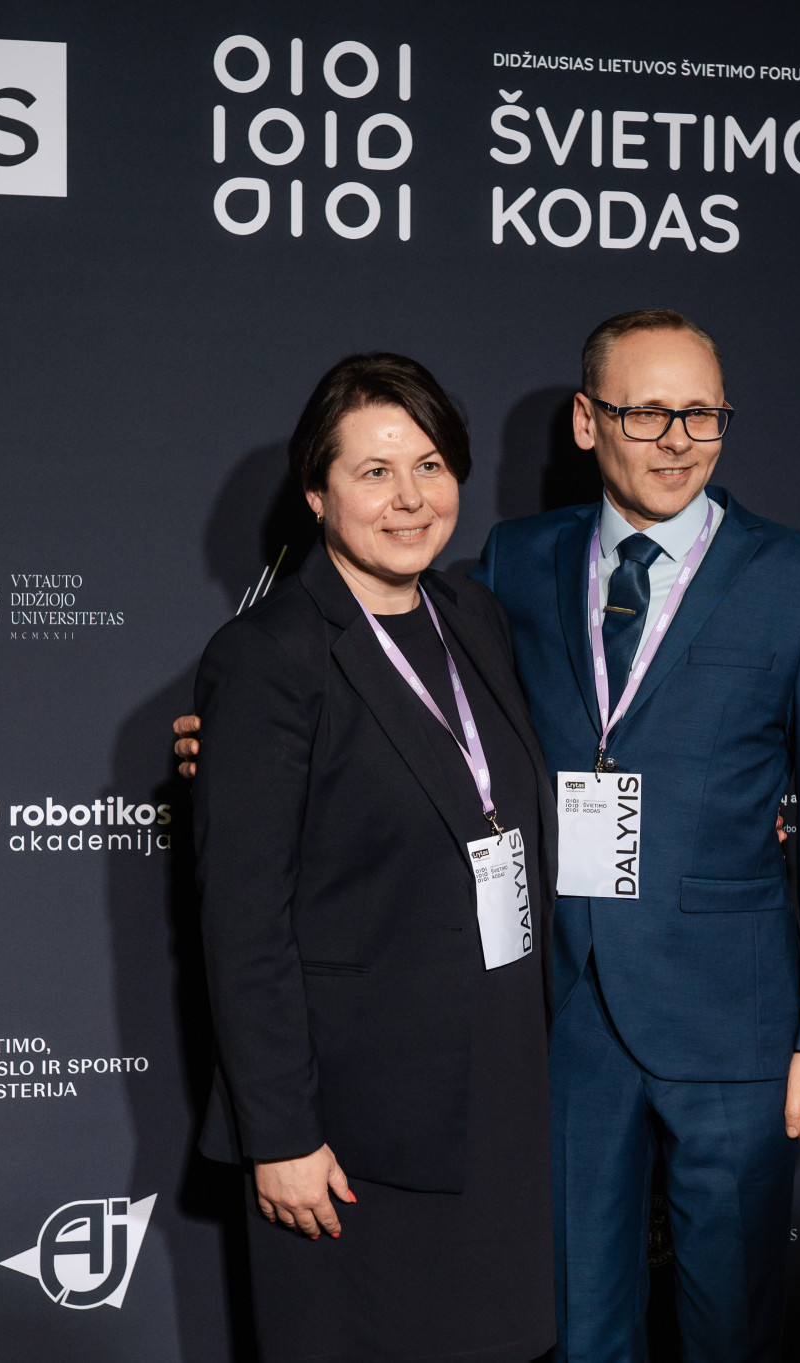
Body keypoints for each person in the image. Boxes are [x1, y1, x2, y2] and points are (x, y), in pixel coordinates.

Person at [180, 312, 800, 1363]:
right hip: (564, 1025)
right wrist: (227, 741)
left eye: (701, 414)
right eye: (646, 412)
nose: (676, 438)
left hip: (729, 1024)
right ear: (588, 421)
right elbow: (354, 701)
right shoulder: (515, 564)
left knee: (731, 1328)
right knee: (575, 1331)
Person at [191, 352, 555, 1363]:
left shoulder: (473, 617)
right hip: (353, 1129)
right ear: (316, 493)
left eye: (430, 466)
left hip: (500, 1094)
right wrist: (280, 1134)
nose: (410, 497)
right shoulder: (270, 656)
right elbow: (242, 920)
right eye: (375, 471)